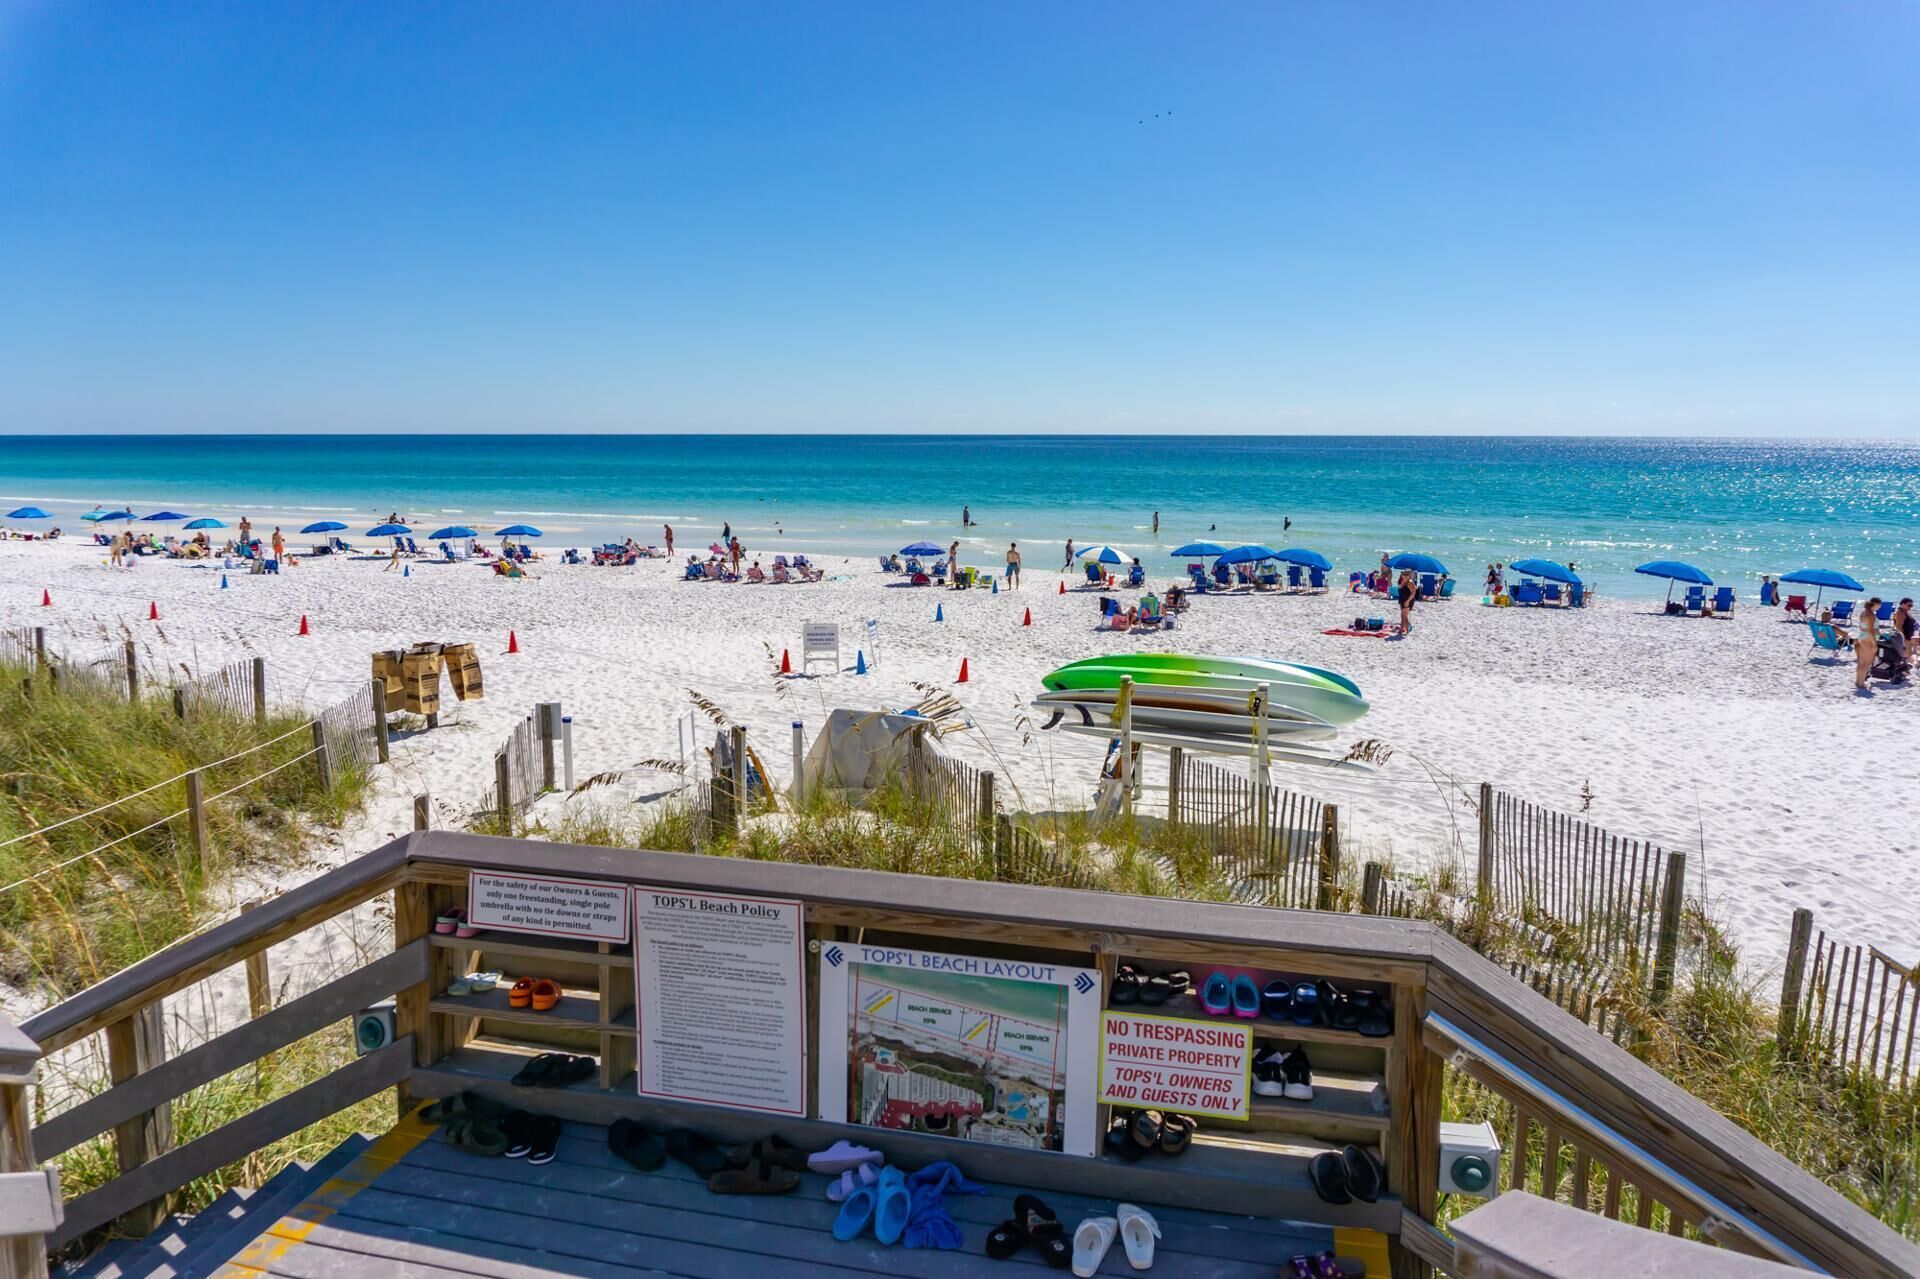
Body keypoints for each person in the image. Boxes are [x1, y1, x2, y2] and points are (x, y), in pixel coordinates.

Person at [1856, 597, 1884, 689]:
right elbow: (1871, 630)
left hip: (1862, 637)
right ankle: (1861, 683)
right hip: (1868, 639)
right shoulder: (1871, 615)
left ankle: (1858, 681)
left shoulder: (1864, 612)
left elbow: (1861, 627)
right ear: (1875, 604)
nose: (1880, 607)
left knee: (1861, 662)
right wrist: (1874, 643)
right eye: (1879, 605)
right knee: (1866, 663)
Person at [1397, 570, 1416, 636]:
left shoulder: (1410, 582)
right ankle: (1403, 629)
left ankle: (1403, 629)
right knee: (1403, 615)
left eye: (1407, 574)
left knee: (1404, 615)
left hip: (1407, 600)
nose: (1405, 576)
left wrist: (1408, 601)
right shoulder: (1403, 581)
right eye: (1404, 574)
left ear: (1409, 575)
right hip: (1402, 599)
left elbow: (1413, 593)